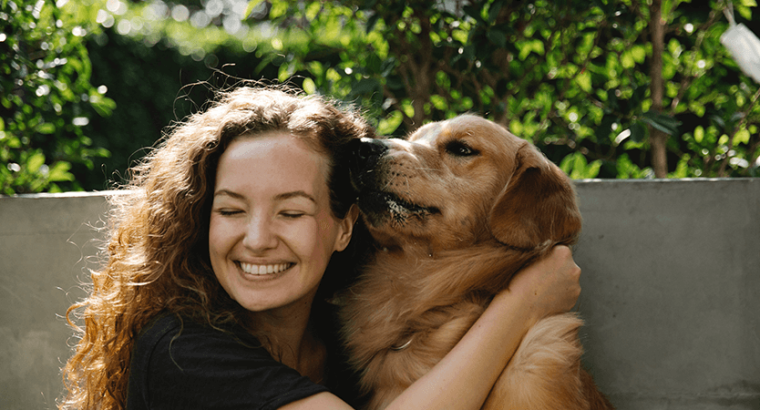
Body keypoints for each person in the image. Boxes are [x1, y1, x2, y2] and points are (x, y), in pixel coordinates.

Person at [59, 85, 582, 410]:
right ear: (201, 219)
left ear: (346, 227)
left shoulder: (348, 339)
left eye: (291, 211)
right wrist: (522, 304)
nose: (259, 239)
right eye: (231, 210)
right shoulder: (180, 353)